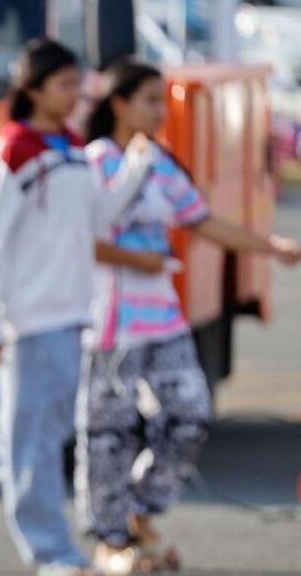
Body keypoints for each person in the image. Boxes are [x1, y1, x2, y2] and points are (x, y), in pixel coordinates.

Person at [0, 39, 155, 576]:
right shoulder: (14, 150)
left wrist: (133, 168)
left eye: (77, 83)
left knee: (28, 434)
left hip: (71, 314)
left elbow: (97, 219)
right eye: (64, 84)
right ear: (33, 88)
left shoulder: (71, 145)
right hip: (30, 321)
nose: (75, 94)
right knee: (32, 440)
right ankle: (53, 554)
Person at [77, 59, 301, 574]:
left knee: (190, 416)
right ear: (119, 104)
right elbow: (83, 236)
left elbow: (203, 221)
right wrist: (136, 258)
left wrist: (271, 246)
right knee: (107, 433)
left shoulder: (160, 161)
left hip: (164, 320)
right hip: (111, 323)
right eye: (149, 100)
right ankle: (110, 538)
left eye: (161, 99)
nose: (160, 110)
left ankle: (137, 509)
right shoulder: (95, 162)